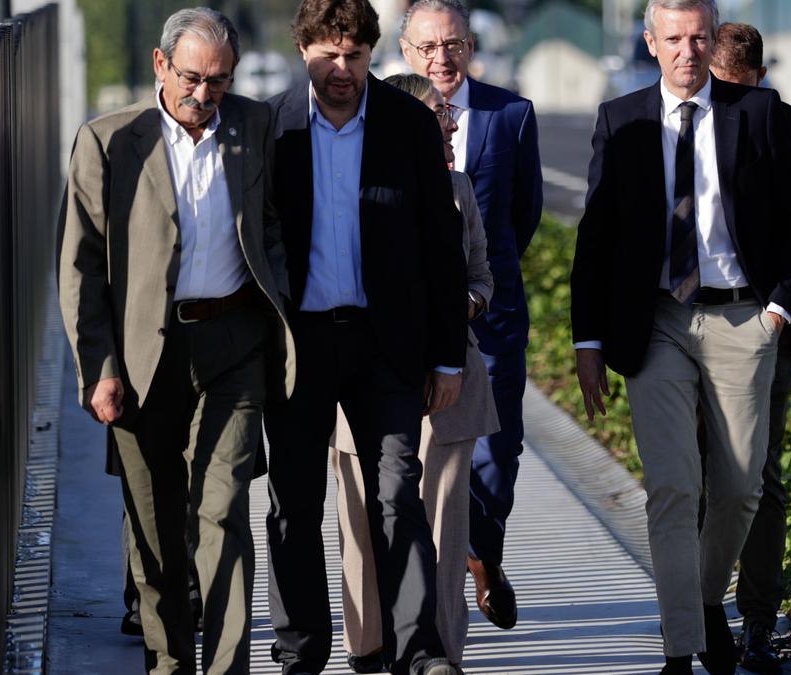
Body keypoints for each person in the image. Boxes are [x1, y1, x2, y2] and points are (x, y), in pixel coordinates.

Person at [569, 1, 791, 673]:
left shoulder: (757, 116)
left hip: (743, 319)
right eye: (673, 38)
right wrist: (587, 339)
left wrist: (779, 310)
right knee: (675, 485)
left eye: (699, 36)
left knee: (740, 488)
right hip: (656, 324)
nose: (688, 50)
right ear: (651, 42)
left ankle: (702, 600)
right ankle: (682, 649)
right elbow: (597, 239)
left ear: (713, 39)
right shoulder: (622, 121)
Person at [56, 7, 295, 673]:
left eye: (219, 81)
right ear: (161, 65)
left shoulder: (256, 125)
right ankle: (169, 660)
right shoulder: (108, 141)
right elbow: (80, 265)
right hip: (141, 361)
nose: (204, 93)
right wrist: (97, 366)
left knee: (222, 512)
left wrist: (278, 288)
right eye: (192, 77)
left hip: (234, 346)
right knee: (156, 527)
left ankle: (226, 666)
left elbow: (276, 223)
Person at [262, 0, 468, 673]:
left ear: (373, 52)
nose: (343, 70)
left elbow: (444, 250)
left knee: (395, 496)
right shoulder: (273, 128)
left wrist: (447, 356)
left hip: (388, 347)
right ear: (303, 51)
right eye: (329, 56)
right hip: (300, 346)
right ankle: (300, 651)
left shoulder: (408, 124)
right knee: (294, 503)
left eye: (355, 56)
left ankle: (417, 650)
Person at [329, 72, 500, 673]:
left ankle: (442, 654)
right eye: (436, 116)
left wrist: (463, 304)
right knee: (361, 517)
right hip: (368, 379)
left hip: (451, 382)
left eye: (450, 117)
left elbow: (482, 275)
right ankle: (369, 645)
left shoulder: (458, 190)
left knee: (445, 529)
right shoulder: (351, 182)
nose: (450, 125)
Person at [398, 0, 543, 630]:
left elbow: (524, 212)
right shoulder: (388, 109)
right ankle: (444, 570)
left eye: (452, 44)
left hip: (492, 314)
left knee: (499, 451)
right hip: (412, 324)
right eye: (427, 48)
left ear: (470, 45)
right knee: (425, 456)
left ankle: (483, 554)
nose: (441, 58)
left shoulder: (511, 114)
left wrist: (481, 282)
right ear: (406, 53)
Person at [708, 22, 791, 674]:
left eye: (740, 90)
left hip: (769, 328)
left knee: (760, 474)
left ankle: (759, 622)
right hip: (690, 327)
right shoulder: (685, 123)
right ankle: (702, 610)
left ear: (760, 79)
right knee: (703, 475)